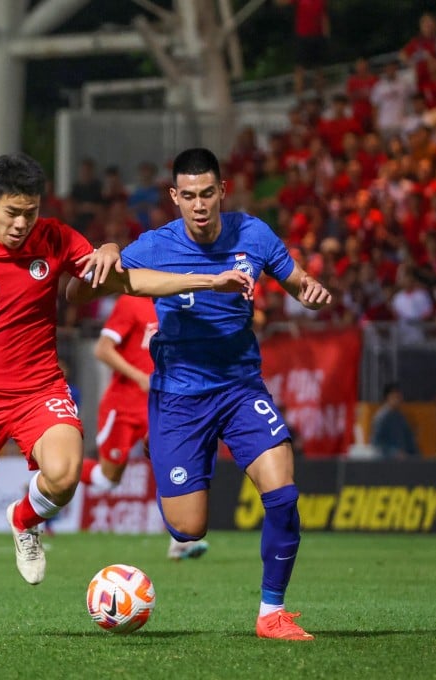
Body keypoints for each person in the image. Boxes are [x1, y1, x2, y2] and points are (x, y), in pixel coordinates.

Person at [0, 152, 253, 637]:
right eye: (11, 212)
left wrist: (206, 279)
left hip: (39, 390)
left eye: (30, 212)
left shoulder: (56, 239)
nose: (20, 224)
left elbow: (128, 280)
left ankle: (25, 517)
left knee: (65, 473)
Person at [69, 148, 331, 641]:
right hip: (178, 400)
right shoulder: (155, 245)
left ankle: (271, 612)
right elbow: (77, 294)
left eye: (207, 193)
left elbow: (294, 279)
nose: (199, 204)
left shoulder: (251, 233)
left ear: (222, 191)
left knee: (283, 494)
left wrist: (310, 289)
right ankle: (164, 449)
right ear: (174, 197)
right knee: (189, 530)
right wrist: (104, 251)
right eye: (188, 196)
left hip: (238, 387)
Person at [80, 294, 209, 560]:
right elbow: (102, 349)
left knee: (171, 465)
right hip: (123, 406)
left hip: (161, 404)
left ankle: (179, 539)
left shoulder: (180, 301)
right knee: (107, 479)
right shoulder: (131, 301)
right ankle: (57, 472)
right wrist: (139, 376)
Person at [276, 0, 330, 96]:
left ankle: (320, 96)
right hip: (303, 37)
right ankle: (299, 99)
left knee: (319, 69)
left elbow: (324, 17)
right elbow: (281, 2)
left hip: (317, 36)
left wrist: (326, 37)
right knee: (299, 69)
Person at [370, 383, 421, 459]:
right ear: (387, 398)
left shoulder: (400, 417)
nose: (398, 399)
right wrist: (393, 453)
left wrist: (416, 455)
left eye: (399, 396)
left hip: (403, 463)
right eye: (395, 397)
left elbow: (409, 440)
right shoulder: (381, 417)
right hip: (387, 464)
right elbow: (376, 444)